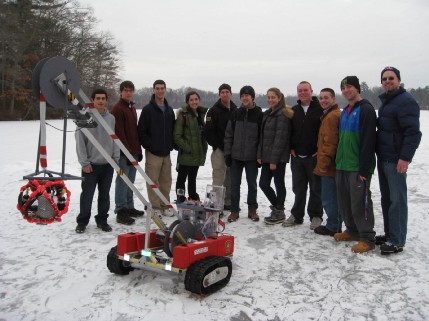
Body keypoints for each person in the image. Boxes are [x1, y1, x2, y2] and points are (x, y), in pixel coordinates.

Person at [376, 66, 422, 255]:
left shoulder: (405, 101)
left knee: (397, 200)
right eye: (384, 79)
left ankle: (397, 240)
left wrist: (405, 158)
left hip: (396, 160)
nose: (387, 81)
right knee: (387, 199)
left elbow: (413, 133)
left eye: (391, 78)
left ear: (399, 80)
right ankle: (389, 233)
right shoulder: (389, 101)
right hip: (384, 157)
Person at [333, 76, 377, 253]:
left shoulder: (366, 110)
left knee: (360, 202)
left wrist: (364, 168)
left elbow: (368, 141)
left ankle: (367, 237)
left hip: (357, 166)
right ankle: (352, 230)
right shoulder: (345, 110)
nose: (346, 91)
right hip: (342, 164)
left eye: (349, 87)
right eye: (343, 88)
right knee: (344, 201)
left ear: (357, 89)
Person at [75, 89, 120, 233]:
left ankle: (102, 220)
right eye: (98, 98)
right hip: (91, 166)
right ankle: (82, 222)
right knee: (87, 196)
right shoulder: (85, 117)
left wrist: (115, 158)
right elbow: (80, 141)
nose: (101, 101)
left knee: (104, 195)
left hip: (107, 165)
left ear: (106, 101)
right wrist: (84, 163)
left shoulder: (111, 118)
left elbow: (114, 139)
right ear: (93, 100)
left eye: (103, 98)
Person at [283, 81, 323, 229]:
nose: (303, 93)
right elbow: (288, 131)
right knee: (298, 188)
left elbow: (324, 133)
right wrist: (290, 148)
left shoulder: (320, 109)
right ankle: (297, 215)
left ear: (311, 91)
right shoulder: (293, 110)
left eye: (305, 90)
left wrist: (321, 150)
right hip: (297, 157)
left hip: (314, 156)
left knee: (316, 188)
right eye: (300, 91)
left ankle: (316, 215)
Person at [224, 86, 263, 222]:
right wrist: (228, 154)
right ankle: (234, 211)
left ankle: (252, 209)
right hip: (236, 157)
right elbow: (228, 135)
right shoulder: (236, 113)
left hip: (251, 157)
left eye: (247, 95)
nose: (245, 98)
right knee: (235, 184)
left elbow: (261, 138)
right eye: (242, 95)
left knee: (252, 184)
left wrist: (259, 155)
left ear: (252, 97)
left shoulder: (259, 114)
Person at [138, 79, 175, 216]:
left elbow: (172, 130)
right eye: (157, 88)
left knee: (166, 181)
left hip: (166, 152)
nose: (160, 91)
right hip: (153, 152)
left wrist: (171, 145)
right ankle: (155, 207)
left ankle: (165, 205)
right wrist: (150, 145)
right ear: (153, 90)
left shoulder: (169, 110)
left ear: (165, 90)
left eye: (162, 88)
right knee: (153, 181)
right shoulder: (148, 110)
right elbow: (141, 131)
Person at [257, 87, 294, 225]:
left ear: (279, 98)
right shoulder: (267, 113)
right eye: (269, 97)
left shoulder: (283, 115)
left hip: (278, 158)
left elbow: (280, 139)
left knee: (279, 184)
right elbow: (262, 137)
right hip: (266, 157)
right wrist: (259, 154)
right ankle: (278, 207)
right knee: (263, 184)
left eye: (273, 97)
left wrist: (274, 161)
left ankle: (279, 211)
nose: (270, 100)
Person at [111, 81, 144, 225]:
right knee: (122, 181)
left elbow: (134, 132)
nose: (128, 93)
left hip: (133, 151)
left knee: (130, 181)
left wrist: (138, 150)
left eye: (131, 90)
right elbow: (119, 133)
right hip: (123, 153)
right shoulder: (117, 109)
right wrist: (127, 152)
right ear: (120, 92)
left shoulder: (132, 108)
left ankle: (129, 206)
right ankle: (121, 210)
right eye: (126, 90)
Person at [313, 88, 342, 236]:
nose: (323, 101)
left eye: (326, 98)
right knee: (333, 196)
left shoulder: (331, 116)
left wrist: (323, 162)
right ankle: (336, 223)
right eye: (321, 98)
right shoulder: (330, 115)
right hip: (331, 161)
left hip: (329, 165)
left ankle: (333, 226)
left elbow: (330, 142)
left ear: (333, 99)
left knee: (329, 197)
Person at [204, 83, 238, 211]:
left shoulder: (235, 109)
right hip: (219, 149)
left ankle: (228, 202)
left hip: (233, 150)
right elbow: (208, 132)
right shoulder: (213, 110)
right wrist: (218, 145)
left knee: (230, 177)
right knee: (218, 178)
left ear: (230, 93)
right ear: (219, 94)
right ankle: (216, 204)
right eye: (222, 92)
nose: (225, 94)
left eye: (227, 92)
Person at [173, 91, 208, 201]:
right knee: (181, 179)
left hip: (197, 154)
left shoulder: (200, 114)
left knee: (193, 178)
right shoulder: (183, 115)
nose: (194, 102)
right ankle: (181, 198)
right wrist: (189, 148)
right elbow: (177, 136)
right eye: (191, 100)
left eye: (196, 99)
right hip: (186, 154)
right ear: (187, 102)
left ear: (199, 100)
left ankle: (193, 196)